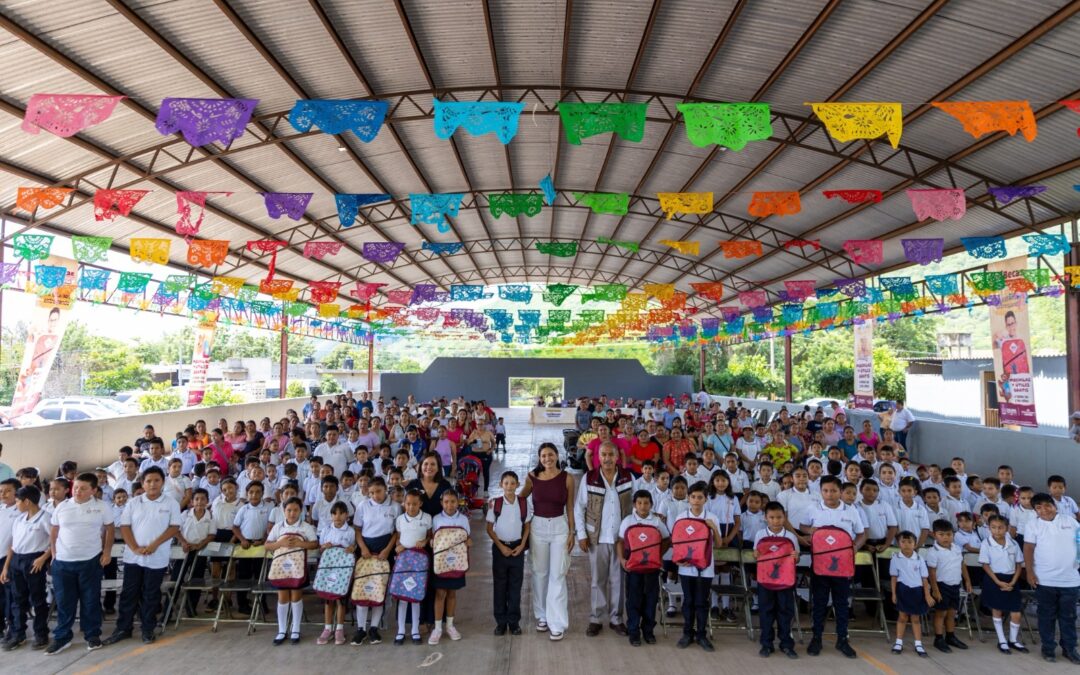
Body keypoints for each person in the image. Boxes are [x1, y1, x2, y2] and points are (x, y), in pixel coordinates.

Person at [104, 466, 182, 645]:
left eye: (156, 480)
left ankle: (147, 629)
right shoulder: (133, 502)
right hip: (133, 558)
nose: (152, 484)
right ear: (142, 483)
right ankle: (123, 628)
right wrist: (135, 548)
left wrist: (154, 545)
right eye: (148, 481)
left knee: (151, 594)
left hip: (157, 557)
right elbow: (124, 526)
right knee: (128, 594)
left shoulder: (171, 503)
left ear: (163, 482)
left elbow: (174, 527)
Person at [799, 475, 866, 659]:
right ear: (820, 492)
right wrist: (809, 530)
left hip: (843, 566)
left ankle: (842, 639)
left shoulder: (850, 510)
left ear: (840, 492)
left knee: (841, 603)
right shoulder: (813, 508)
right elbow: (803, 525)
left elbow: (861, 534)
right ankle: (817, 637)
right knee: (819, 602)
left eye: (834, 490)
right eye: (826, 490)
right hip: (820, 564)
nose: (829, 494)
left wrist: (855, 547)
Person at [48, 472, 114, 654]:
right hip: (63, 563)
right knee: (64, 602)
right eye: (75, 487)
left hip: (90, 561)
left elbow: (110, 528)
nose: (78, 491)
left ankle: (92, 635)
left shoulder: (102, 507)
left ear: (93, 490)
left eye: (83, 488)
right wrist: (54, 553)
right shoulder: (62, 506)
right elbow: (54, 530)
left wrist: (107, 552)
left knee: (90, 600)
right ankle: (62, 637)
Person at [575, 441, 634, 638]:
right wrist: (582, 535)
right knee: (598, 580)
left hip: (620, 539)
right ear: (597, 457)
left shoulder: (628, 477)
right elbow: (579, 508)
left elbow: (639, 505)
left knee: (618, 580)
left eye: (611, 454)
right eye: (603, 455)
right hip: (597, 538)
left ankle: (616, 619)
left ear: (617, 456)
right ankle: (596, 618)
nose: (607, 458)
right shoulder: (589, 478)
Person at [518, 442, 575, 641]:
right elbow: (521, 497)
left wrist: (572, 532)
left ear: (557, 456)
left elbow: (570, 507)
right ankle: (542, 616)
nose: (547, 459)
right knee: (539, 573)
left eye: (550, 455)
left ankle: (557, 622)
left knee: (557, 574)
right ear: (539, 458)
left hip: (560, 527)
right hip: (538, 527)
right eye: (543, 456)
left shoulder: (567, 478)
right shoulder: (532, 477)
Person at [1023, 492, 1080, 664]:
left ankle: (1069, 649)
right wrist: (1030, 572)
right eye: (1038, 507)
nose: (1044, 510)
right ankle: (1048, 649)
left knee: (1069, 617)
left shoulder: (1069, 521)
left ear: (1054, 505)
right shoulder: (1033, 525)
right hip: (1044, 579)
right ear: (1035, 511)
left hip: (1070, 579)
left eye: (1047, 505)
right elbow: (1028, 549)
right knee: (1046, 616)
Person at [673, 481, 722, 652]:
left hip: (705, 568)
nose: (696, 500)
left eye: (700, 497)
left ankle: (701, 634)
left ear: (706, 499)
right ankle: (687, 633)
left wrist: (714, 528)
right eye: (693, 497)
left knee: (701, 602)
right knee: (688, 601)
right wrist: (678, 560)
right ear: (688, 498)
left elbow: (719, 543)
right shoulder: (681, 517)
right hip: (686, 568)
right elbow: (677, 543)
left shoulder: (712, 517)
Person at [616, 489, 669, 647]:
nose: (643, 506)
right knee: (633, 601)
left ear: (651, 504)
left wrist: (658, 555)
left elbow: (667, 539)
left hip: (652, 569)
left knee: (651, 600)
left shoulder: (657, 521)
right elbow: (619, 541)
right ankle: (633, 632)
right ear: (634, 504)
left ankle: (648, 631)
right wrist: (621, 559)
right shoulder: (628, 521)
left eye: (646, 503)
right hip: (633, 569)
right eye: (639, 503)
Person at [352, 476, 399, 645]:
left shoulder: (395, 507)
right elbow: (357, 530)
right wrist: (363, 548)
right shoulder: (363, 506)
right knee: (362, 589)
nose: (375, 495)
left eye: (378, 491)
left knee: (379, 589)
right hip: (365, 551)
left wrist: (387, 550)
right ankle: (361, 629)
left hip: (384, 552)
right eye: (371, 492)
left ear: (385, 489)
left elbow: (396, 532)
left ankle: (373, 628)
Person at [266, 497, 318, 645]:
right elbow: (267, 546)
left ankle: (296, 629)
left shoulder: (306, 527)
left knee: (296, 596)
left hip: (297, 568)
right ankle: (282, 630)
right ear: (284, 511)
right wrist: (279, 543)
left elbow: (314, 544)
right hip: (281, 568)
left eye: (295, 510)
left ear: (301, 511)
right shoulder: (278, 527)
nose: (292, 513)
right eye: (289, 510)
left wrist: (302, 543)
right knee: (282, 597)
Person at [486, 471, 531, 636]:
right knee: (500, 586)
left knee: (515, 587)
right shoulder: (495, 504)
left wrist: (522, 545)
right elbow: (489, 529)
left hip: (517, 549)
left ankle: (513, 622)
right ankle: (500, 622)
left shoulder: (523, 503)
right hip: (500, 549)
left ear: (518, 485)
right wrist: (500, 546)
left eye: (513, 483)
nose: (509, 486)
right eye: (506, 483)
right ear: (501, 485)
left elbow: (527, 526)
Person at [753, 501, 799, 659]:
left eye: (779, 517)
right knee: (766, 611)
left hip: (785, 581)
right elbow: (756, 554)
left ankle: (786, 643)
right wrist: (756, 554)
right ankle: (767, 644)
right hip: (765, 580)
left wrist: (795, 557)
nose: (776, 521)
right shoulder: (760, 535)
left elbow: (796, 558)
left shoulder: (791, 536)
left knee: (785, 611)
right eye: (772, 517)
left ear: (784, 517)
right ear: (766, 518)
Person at [979, 514, 1026, 654]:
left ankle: (1013, 640)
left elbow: (1019, 565)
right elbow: (985, 565)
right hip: (994, 579)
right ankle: (1002, 640)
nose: (997, 530)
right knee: (997, 610)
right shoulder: (986, 543)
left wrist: (1013, 581)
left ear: (1007, 528)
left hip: (1012, 578)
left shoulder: (1014, 543)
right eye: (993, 527)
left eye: (1000, 527)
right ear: (989, 528)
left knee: (1016, 613)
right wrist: (998, 581)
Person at [429, 489, 470, 645]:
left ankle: (450, 626)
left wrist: (469, 542)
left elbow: (467, 537)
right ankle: (438, 628)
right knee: (440, 594)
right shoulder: (436, 519)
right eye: (446, 502)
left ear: (457, 502)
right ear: (441, 503)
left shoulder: (464, 520)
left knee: (452, 594)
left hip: (457, 562)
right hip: (441, 563)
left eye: (453, 501)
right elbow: (433, 538)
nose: (449, 505)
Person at [923, 519, 970, 653]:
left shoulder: (956, 548)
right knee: (940, 613)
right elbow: (931, 573)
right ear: (935, 535)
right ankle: (938, 638)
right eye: (941, 534)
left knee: (952, 612)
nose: (945, 537)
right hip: (941, 586)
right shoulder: (933, 552)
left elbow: (962, 564)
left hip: (955, 584)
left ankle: (950, 636)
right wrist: (936, 590)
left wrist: (967, 580)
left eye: (948, 534)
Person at [394, 489, 431, 646]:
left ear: (420, 504)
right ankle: (401, 630)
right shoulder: (400, 519)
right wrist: (398, 546)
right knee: (402, 597)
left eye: (415, 504)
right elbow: (397, 537)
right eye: (408, 504)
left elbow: (430, 535)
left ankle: (415, 630)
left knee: (415, 596)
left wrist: (425, 541)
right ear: (404, 504)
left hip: (419, 561)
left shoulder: (427, 518)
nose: (411, 507)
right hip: (403, 560)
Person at [889, 530, 934, 657]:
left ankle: (918, 644)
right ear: (898, 543)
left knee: (915, 618)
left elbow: (925, 579)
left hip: (917, 591)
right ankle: (898, 642)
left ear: (915, 544)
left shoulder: (920, 559)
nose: (907, 544)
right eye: (903, 541)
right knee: (902, 617)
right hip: (903, 590)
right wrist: (893, 594)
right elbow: (894, 577)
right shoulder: (895, 558)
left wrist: (927, 595)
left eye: (910, 542)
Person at [316, 502, 354, 646]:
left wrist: (351, 548)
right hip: (328, 568)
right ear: (331, 516)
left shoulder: (350, 531)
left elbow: (353, 548)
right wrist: (324, 547)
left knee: (340, 599)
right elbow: (321, 549)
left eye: (341, 513)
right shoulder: (326, 530)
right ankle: (327, 628)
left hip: (343, 570)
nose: (337, 516)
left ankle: (339, 628)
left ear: (346, 515)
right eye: (334, 513)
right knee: (328, 599)